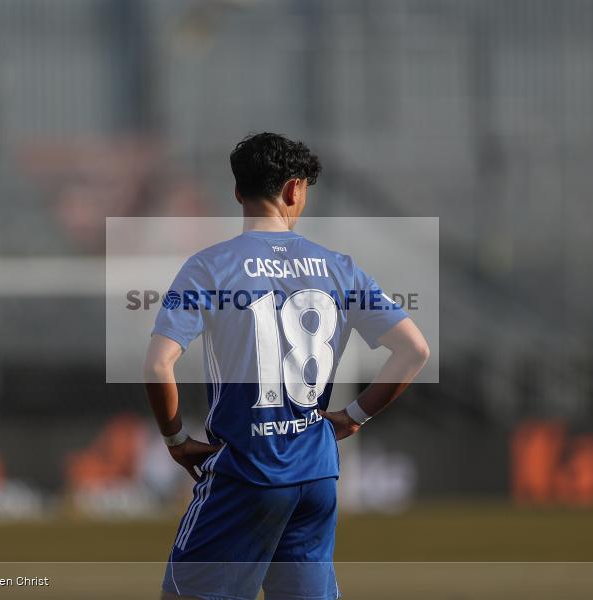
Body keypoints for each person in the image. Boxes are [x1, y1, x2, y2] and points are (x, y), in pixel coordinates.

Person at [143, 132, 430, 600]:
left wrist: (176, 441)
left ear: (238, 192)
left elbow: (158, 366)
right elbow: (414, 350)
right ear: (295, 189)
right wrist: (354, 416)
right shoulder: (339, 267)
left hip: (247, 470)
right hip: (316, 476)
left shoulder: (209, 268)